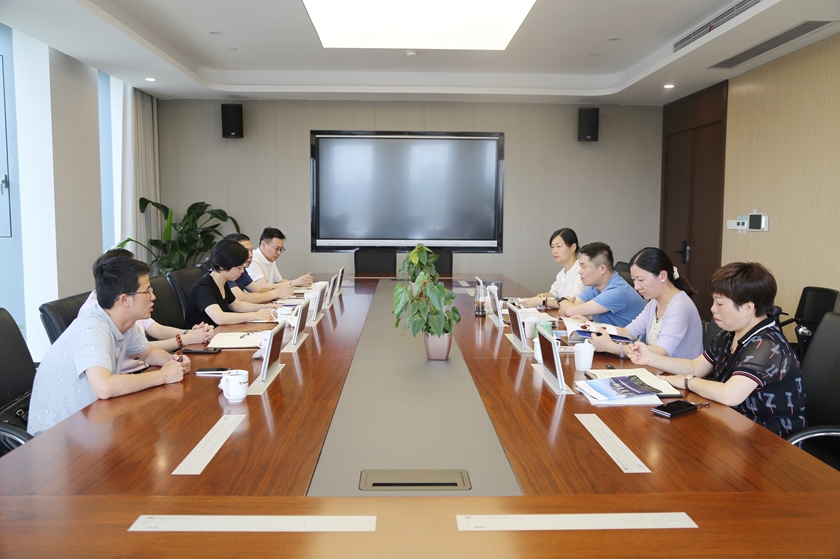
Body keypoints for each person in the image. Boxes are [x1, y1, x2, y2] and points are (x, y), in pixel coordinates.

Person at [628, 262, 805, 437]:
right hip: (733, 422)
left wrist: (687, 381)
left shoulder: (767, 345)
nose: (713, 309)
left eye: (720, 303)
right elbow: (696, 366)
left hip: (769, 437)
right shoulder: (730, 334)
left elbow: (730, 395)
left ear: (747, 308)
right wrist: (650, 358)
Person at [28, 255, 190, 436]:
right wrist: (163, 375)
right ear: (124, 300)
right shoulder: (93, 328)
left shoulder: (124, 323)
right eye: (147, 291)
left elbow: (148, 352)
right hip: (56, 436)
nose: (153, 297)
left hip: (93, 421)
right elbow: (104, 387)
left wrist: (174, 361)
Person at [77, 249, 214, 373]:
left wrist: (189, 335)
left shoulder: (128, 315)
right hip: (127, 376)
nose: (153, 297)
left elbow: (152, 341)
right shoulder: (96, 318)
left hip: (143, 370)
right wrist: (183, 340)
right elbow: (106, 384)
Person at [589, 247, 703, 359]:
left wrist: (612, 347)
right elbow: (628, 332)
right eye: (634, 280)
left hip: (673, 371)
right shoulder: (654, 303)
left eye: (641, 280)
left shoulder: (680, 307)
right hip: (655, 368)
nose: (636, 287)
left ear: (663, 276)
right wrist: (591, 328)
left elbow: (661, 352)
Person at [184, 239, 275, 327]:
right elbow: (220, 318)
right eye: (239, 268)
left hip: (218, 332)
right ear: (222, 266)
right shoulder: (203, 287)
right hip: (201, 335)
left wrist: (265, 307)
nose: (242, 271)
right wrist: (255, 315)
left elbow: (237, 305)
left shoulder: (223, 283)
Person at [557, 242, 645, 326]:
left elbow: (569, 311)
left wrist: (563, 300)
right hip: (606, 334)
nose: (580, 271)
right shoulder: (595, 287)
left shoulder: (617, 291)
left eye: (584, 267)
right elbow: (565, 312)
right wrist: (568, 307)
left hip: (625, 337)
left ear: (602, 269)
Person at [520, 228, 584, 309]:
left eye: (558, 246)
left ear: (573, 247)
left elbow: (573, 301)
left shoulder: (581, 271)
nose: (554, 251)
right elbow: (554, 293)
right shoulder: (562, 273)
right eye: (552, 247)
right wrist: (544, 295)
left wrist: (543, 301)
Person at [223, 233, 293, 302]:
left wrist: (279, 292)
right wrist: (275, 293)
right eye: (245, 251)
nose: (251, 255)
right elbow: (242, 298)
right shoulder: (225, 271)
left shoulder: (242, 270)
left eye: (251, 250)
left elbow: (259, 290)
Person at [247, 227, 313, 290]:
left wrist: (300, 283)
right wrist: (295, 282)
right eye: (277, 249)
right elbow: (263, 287)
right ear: (263, 245)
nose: (279, 253)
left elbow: (279, 281)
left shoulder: (271, 259)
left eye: (281, 249)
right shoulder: (253, 259)